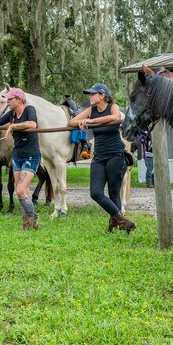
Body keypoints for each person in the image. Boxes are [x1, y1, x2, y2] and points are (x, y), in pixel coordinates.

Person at [68, 83, 136, 233]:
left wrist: (90, 122)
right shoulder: (90, 110)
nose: (90, 97)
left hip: (116, 155)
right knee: (95, 192)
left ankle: (114, 225)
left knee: (114, 192)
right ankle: (123, 221)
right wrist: (80, 122)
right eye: (90, 94)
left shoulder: (113, 107)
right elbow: (70, 122)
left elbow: (116, 117)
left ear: (102, 95)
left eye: (93, 94)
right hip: (99, 157)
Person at [0, 88, 41, 230]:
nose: (8, 102)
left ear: (19, 99)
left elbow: (32, 124)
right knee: (24, 191)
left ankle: (34, 218)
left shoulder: (29, 109)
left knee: (20, 191)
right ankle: (26, 223)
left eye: (10, 99)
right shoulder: (11, 114)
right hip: (17, 156)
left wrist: (14, 126)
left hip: (31, 156)